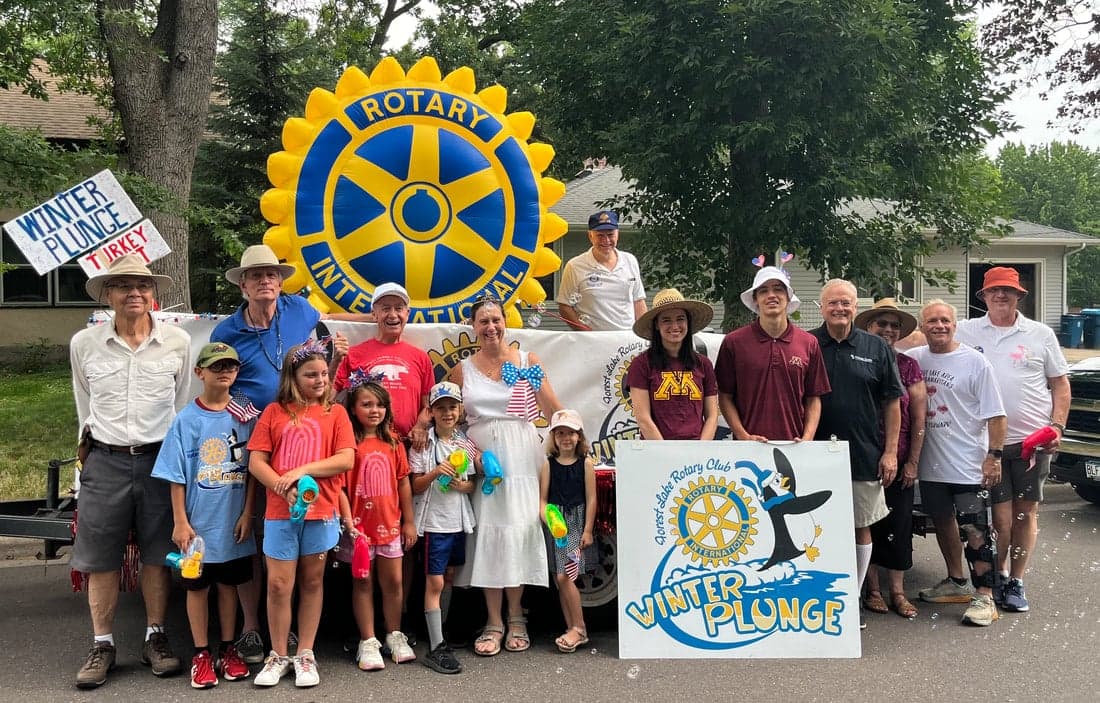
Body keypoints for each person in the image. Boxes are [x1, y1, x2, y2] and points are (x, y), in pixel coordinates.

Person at [211, 244, 353, 664]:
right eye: (255, 276)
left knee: (298, 538)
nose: (265, 281)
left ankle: (297, 639)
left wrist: (342, 346)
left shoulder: (301, 311)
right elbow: (222, 381)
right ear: (243, 284)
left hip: (302, 439)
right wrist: (245, 412)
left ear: (281, 280)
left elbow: (320, 341)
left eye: (272, 274)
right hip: (254, 438)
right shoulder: (226, 332)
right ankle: (254, 628)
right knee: (252, 531)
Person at [70, 254, 190, 689]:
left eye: (141, 285)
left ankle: (155, 638)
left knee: (159, 554)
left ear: (153, 293)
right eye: (122, 285)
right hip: (105, 457)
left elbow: (179, 404)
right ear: (108, 295)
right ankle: (102, 644)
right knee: (100, 557)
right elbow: (84, 406)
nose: (134, 293)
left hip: (160, 459)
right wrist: (95, 451)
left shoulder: (177, 342)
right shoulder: (84, 344)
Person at [449, 295, 563, 656]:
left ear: (505, 322)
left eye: (495, 319)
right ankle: (493, 620)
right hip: (485, 462)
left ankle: (517, 616)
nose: (490, 327)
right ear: (473, 327)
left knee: (519, 528)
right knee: (489, 533)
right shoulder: (461, 370)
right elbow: (448, 422)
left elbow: (553, 408)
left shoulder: (528, 361)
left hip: (523, 457)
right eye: (483, 321)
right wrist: (472, 455)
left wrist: (575, 443)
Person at [954, 267, 1069, 613]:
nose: (1000, 296)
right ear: (983, 297)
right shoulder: (964, 330)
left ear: (1020, 295)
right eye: (993, 291)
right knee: (1000, 519)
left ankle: (1016, 579)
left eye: (1007, 290)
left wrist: (1058, 427)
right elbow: (925, 341)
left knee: (1025, 514)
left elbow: (1060, 384)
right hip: (986, 444)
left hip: (1031, 443)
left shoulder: (1040, 334)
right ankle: (998, 574)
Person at [247, 341, 355, 687]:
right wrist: (281, 485)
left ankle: (305, 652)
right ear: (293, 377)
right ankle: (278, 653)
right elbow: (256, 462)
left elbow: (345, 459)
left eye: (324, 373)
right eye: (311, 374)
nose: (320, 379)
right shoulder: (274, 412)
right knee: (279, 584)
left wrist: (302, 470)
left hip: (321, 510)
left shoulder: (335, 413)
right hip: (280, 512)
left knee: (312, 581)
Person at [152, 342, 256, 688]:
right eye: (215, 366)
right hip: (198, 525)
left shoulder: (245, 416)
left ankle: (228, 649)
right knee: (197, 588)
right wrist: (181, 522)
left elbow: (255, 470)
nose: (224, 372)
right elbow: (176, 476)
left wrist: (247, 513)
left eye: (230, 366)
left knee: (229, 587)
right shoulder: (186, 420)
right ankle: (201, 652)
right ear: (200, 373)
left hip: (233, 524)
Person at [811, 280, 903, 628]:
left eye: (846, 303)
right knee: (816, 526)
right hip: (813, 451)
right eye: (833, 302)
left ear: (855, 307)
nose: (840, 308)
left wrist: (891, 452)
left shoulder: (877, 347)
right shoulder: (807, 344)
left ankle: (851, 598)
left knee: (860, 525)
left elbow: (892, 403)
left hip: (863, 450)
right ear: (821, 307)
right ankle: (817, 600)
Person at [908, 300, 1006, 627]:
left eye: (945, 320)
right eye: (932, 321)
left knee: (975, 529)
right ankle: (956, 581)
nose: (939, 326)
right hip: (931, 466)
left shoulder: (975, 363)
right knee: (943, 521)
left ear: (954, 324)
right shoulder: (915, 359)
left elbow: (996, 415)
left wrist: (994, 457)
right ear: (922, 328)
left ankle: (985, 596)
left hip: (968, 465)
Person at [338, 378, 418, 671]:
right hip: (359, 530)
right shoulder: (349, 445)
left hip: (390, 528)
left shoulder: (393, 442)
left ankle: (394, 634)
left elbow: (403, 483)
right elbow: (341, 488)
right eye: (367, 404)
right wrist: (348, 523)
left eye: (380, 404)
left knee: (394, 582)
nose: (375, 410)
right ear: (354, 408)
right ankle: (368, 640)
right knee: (363, 582)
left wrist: (409, 521)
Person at [854, 299, 927, 619]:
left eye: (894, 325)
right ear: (868, 327)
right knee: (868, 525)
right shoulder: (859, 360)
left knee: (899, 525)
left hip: (897, 458)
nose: (887, 329)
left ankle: (898, 591)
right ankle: (871, 590)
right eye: (881, 323)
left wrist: (911, 461)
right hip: (864, 455)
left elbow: (919, 418)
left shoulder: (909, 366)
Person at [408, 381, 479, 675]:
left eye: (452, 407)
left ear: (460, 410)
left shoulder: (464, 442)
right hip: (434, 522)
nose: (447, 413)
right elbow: (415, 485)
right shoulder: (423, 443)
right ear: (431, 412)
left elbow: (472, 482)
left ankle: (440, 632)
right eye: (441, 408)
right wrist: (437, 471)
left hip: (457, 520)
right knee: (434, 582)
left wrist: (462, 485)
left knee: (450, 576)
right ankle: (436, 646)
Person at [715, 266, 830, 441]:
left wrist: (807, 439)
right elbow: (724, 397)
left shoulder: (808, 343)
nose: (771, 295)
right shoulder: (734, 342)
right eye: (763, 290)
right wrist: (743, 436)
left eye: (778, 289)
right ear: (755, 299)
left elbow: (813, 398)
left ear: (788, 296)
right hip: (748, 450)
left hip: (795, 447)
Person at [333, 282, 433, 449]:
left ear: (407, 314)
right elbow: (328, 399)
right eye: (386, 309)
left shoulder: (421, 357)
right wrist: (335, 361)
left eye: (399, 308)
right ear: (374, 314)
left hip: (408, 446)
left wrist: (420, 426)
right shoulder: (354, 354)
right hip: (364, 445)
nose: (393, 315)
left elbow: (428, 405)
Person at [539, 409, 597, 654]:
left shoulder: (586, 464)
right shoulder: (548, 465)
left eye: (571, 433)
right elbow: (542, 500)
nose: (566, 438)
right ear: (553, 437)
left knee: (566, 575)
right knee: (558, 576)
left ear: (579, 436)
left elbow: (592, 499)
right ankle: (570, 627)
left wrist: (587, 530)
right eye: (560, 433)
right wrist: (549, 520)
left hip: (575, 523)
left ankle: (580, 628)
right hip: (556, 523)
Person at [627, 288, 719, 440]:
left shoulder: (704, 364)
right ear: (656, 325)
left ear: (688, 322)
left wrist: (702, 450)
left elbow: (712, 415)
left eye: (680, 319)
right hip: (657, 453)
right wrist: (667, 454)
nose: (675, 326)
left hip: (697, 454)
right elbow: (643, 418)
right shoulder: (641, 364)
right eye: (666, 320)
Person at [556, 210, 647, 331]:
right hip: (594, 342)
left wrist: (643, 334)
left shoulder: (630, 260)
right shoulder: (574, 266)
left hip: (628, 341)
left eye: (610, 235)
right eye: (600, 235)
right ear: (590, 236)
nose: (606, 240)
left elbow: (638, 301)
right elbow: (564, 306)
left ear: (617, 234)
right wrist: (587, 332)